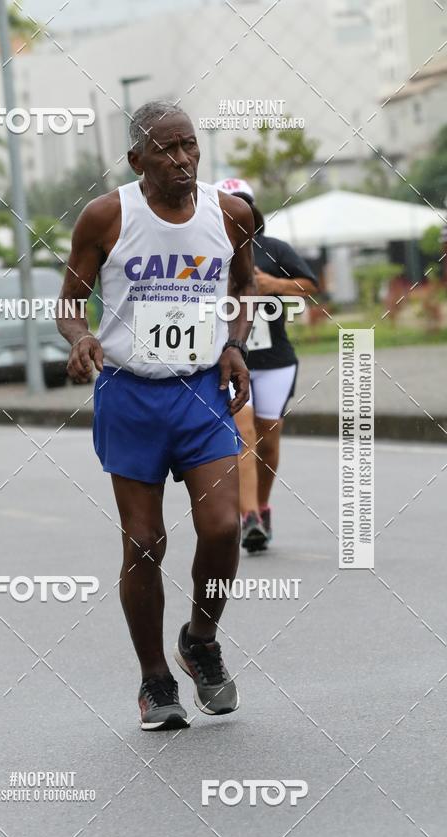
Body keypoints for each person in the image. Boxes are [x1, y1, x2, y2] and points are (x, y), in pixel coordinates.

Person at [57, 101, 256, 731]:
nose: (182, 159)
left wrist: (234, 344)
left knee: (222, 528)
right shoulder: (107, 216)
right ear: (136, 159)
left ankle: (200, 641)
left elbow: (241, 288)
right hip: (130, 394)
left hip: (201, 391)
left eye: (189, 145)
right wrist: (81, 338)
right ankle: (155, 680)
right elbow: (69, 303)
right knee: (144, 543)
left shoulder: (231, 214)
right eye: (166, 149)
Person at [215, 179, 319, 552]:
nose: (237, 211)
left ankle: (261, 507)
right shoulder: (208, 248)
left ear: (254, 210)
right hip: (230, 358)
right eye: (229, 204)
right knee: (245, 436)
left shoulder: (273, 249)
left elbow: (309, 285)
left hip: (274, 359)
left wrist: (273, 283)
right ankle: (249, 520)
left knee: (268, 438)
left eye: (243, 204)